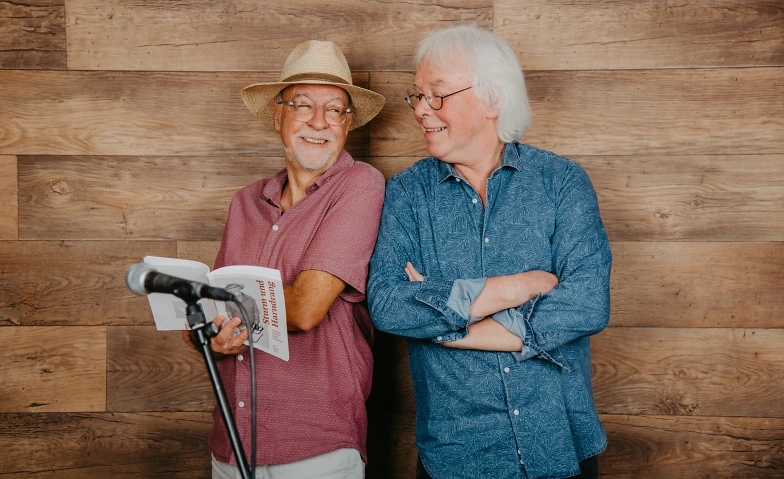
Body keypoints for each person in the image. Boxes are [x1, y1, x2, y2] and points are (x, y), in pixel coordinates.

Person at [367, 25, 611, 479]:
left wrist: (453, 323)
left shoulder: (561, 182)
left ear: (492, 99)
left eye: (437, 94)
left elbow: (587, 302)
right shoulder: (407, 194)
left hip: (559, 444)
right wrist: (519, 287)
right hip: (456, 456)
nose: (420, 109)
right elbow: (388, 304)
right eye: (417, 95)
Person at [182, 40, 386, 479]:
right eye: (303, 105)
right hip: (230, 445)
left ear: (348, 123)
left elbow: (307, 308)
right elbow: (197, 326)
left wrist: (220, 310)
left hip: (315, 445)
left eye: (334, 110)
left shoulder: (360, 185)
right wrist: (213, 340)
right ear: (278, 115)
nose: (319, 122)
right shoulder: (244, 202)